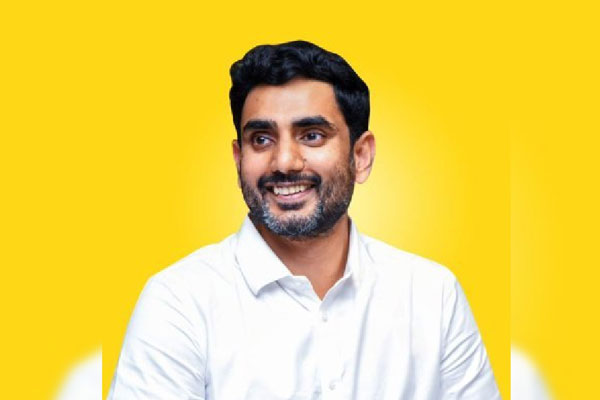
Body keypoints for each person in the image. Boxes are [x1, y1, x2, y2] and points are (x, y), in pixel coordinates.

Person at [108, 40, 500, 399]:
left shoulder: (432, 296)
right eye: (262, 139)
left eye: (311, 135)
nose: (284, 162)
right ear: (239, 159)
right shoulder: (178, 302)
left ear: (361, 156)